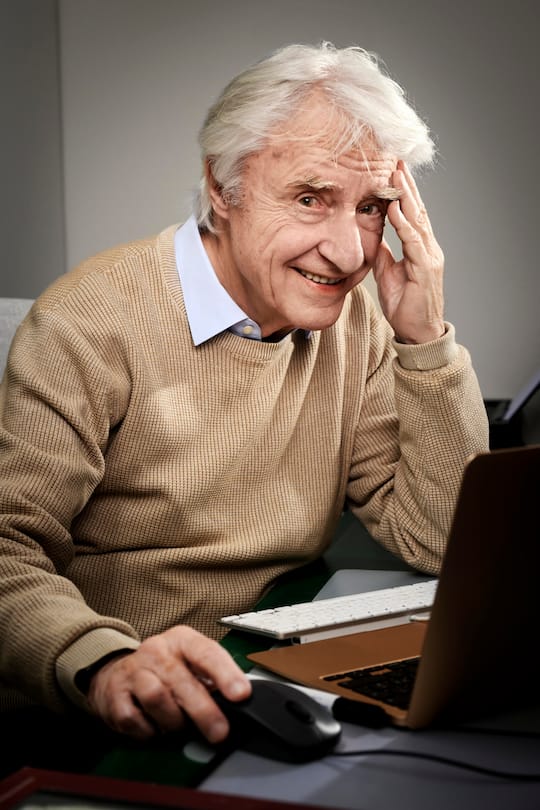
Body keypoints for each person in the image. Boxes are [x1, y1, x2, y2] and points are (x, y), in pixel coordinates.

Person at [0, 42, 488, 751]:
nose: (349, 253)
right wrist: (103, 662)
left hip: (275, 675)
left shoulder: (361, 320)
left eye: (373, 206)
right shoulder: (91, 320)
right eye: (309, 198)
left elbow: (444, 542)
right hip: (103, 707)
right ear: (222, 188)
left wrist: (425, 339)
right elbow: (6, 548)